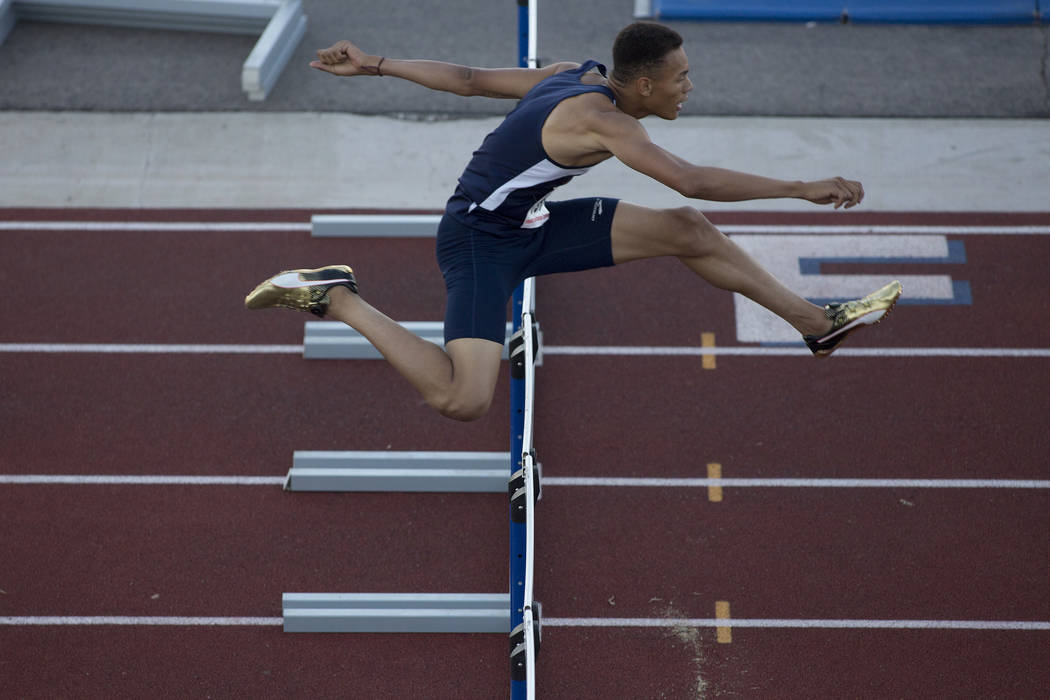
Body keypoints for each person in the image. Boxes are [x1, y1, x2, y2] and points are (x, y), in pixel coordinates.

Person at [246, 22, 901, 422]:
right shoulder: (601, 120)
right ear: (643, 87)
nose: (689, 88)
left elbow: (471, 79)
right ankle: (336, 295)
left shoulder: (577, 73)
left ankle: (819, 326)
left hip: (529, 225)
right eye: (681, 78)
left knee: (688, 229)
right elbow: (692, 177)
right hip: (478, 242)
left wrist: (378, 64)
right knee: (463, 401)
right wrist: (800, 186)